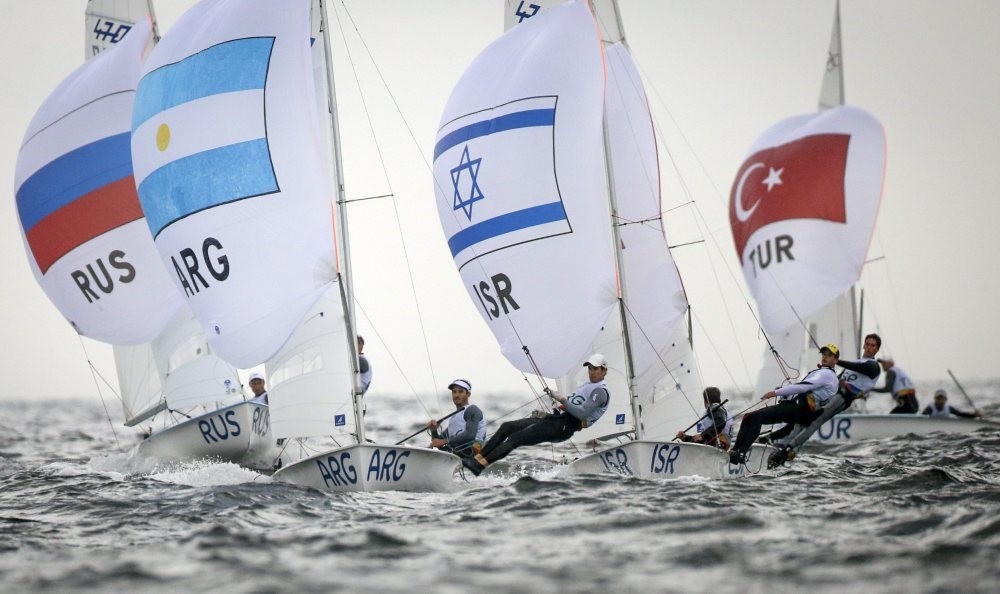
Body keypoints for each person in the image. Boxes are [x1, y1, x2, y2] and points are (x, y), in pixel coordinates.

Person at [462, 353, 611, 476]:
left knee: (515, 439)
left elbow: (582, 413)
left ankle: (479, 466)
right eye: (590, 368)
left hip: (563, 428)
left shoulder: (600, 392)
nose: (592, 371)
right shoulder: (587, 386)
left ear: (604, 371)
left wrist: (561, 398)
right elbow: (569, 409)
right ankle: (476, 459)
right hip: (555, 421)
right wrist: (546, 415)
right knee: (507, 426)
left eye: (596, 369)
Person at [765, 334, 883, 468]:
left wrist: (837, 361)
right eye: (867, 344)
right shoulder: (856, 363)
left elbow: (865, 369)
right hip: (832, 393)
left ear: (877, 349)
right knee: (802, 417)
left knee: (816, 421)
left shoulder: (874, 366)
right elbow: (837, 379)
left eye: (872, 345)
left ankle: (787, 449)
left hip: (844, 397)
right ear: (864, 345)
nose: (869, 347)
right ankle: (773, 440)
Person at [729, 344, 840, 465]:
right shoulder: (831, 377)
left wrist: (776, 393)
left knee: (754, 417)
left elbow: (803, 387)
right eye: (824, 354)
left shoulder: (826, 374)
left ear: (836, 360)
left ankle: (740, 453)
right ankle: (737, 451)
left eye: (829, 355)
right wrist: (786, 394)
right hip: (801, 411)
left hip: (797, 408)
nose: (825, 357)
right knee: (749, 417)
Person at [427, 379, 488, 456]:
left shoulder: (472, 409)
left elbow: (470, 435)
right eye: (454, 392)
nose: (456, 395)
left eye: (460, 391)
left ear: (468, 394)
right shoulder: (453, 418)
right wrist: (434, 430)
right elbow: (439, 442)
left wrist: (445, 441)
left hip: (473, 455)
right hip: (458, 455)